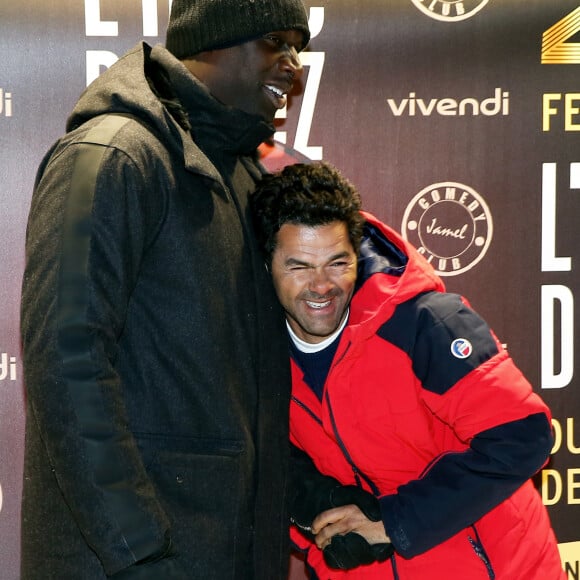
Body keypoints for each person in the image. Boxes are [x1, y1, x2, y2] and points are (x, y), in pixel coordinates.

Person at [19, 2, 310, 579]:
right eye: (277, 42)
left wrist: (316, 503)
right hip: (132, 561)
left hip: (221, 553)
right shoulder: (110, 155)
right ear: (214, 39)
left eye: (299, 48)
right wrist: (138, 550)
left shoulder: (242, 176)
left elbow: (245, 395)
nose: (294, 67)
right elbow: (68, 360)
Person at [251, 162, 565, 579]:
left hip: (495, 568)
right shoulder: (258, 349)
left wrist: (393, 521)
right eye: (299, 266)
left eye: (337, 262)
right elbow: (273, 458)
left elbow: (523, 437)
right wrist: (320, 508)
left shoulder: (422, 324)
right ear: (267, 264)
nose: (322, 285)